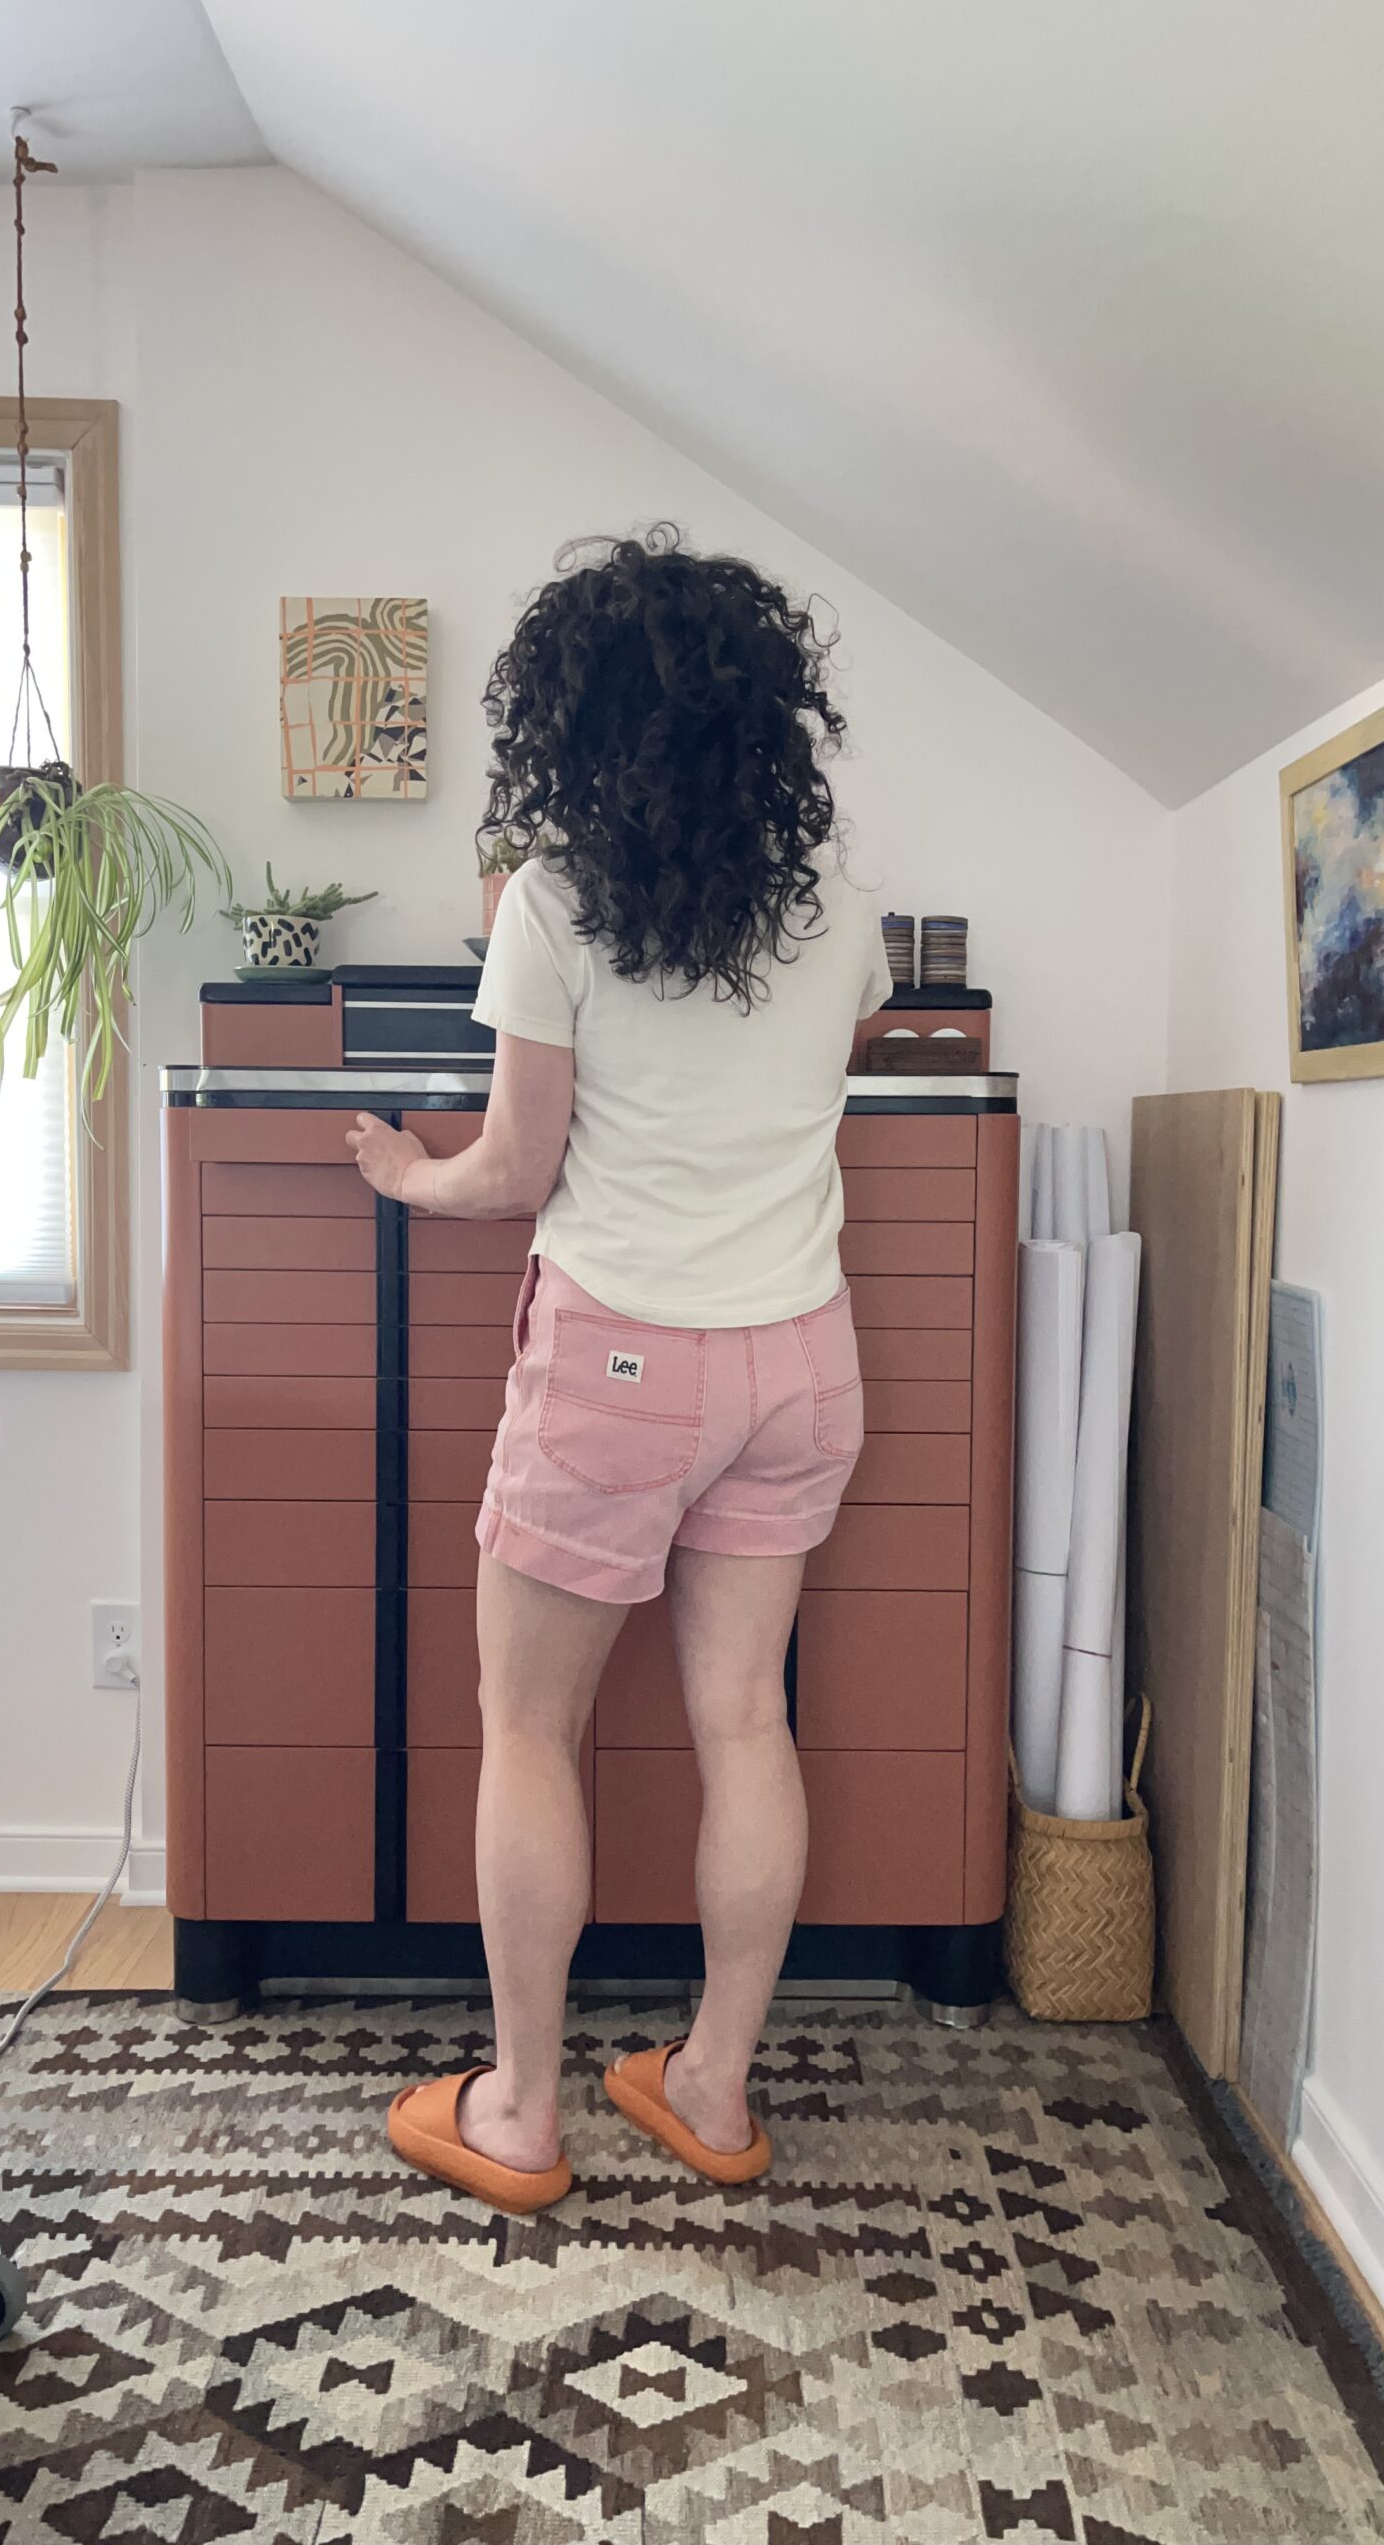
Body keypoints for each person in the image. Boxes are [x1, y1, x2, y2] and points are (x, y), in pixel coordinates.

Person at [348, 525, 890, 2214]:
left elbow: (516, 1167)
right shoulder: (837, 905)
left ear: (573, 724)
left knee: (530, 1724)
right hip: (799, 1360)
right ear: (763, 720)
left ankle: (520, 2111)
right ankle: (712, 2089)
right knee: (745, 1718)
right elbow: (823, 1064)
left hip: (623, 1366)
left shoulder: (554, 902)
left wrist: (407, 1177)